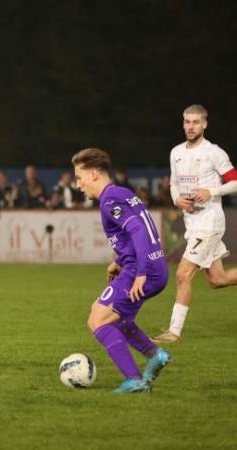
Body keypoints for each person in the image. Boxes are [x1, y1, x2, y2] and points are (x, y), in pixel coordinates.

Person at [72, 147, 171, 393]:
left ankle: (134, 380)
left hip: (142, 269)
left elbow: (137, 229)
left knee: (97, 318)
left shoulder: (109, 199)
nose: (78, 184)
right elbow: (137, 231)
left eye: (79, 176)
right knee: (118, 319)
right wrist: (119, 260)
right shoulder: (121, 192)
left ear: (93, 174)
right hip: (151, 265)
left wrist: (140, 273)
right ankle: (155, 355)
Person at [152, 105, 237, 344]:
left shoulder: (214, 152)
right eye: (187, 122)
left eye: (196, 122)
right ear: (183, 123)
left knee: (182, 273)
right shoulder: (176, 152)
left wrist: (211, 191)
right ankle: (174, 331)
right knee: (217, 279)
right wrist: (176, 199)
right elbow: (174, 184)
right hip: (193, 222)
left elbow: (235, 181)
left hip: (210, 222)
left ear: (205, 124)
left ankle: (174, 332)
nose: (191, 126)